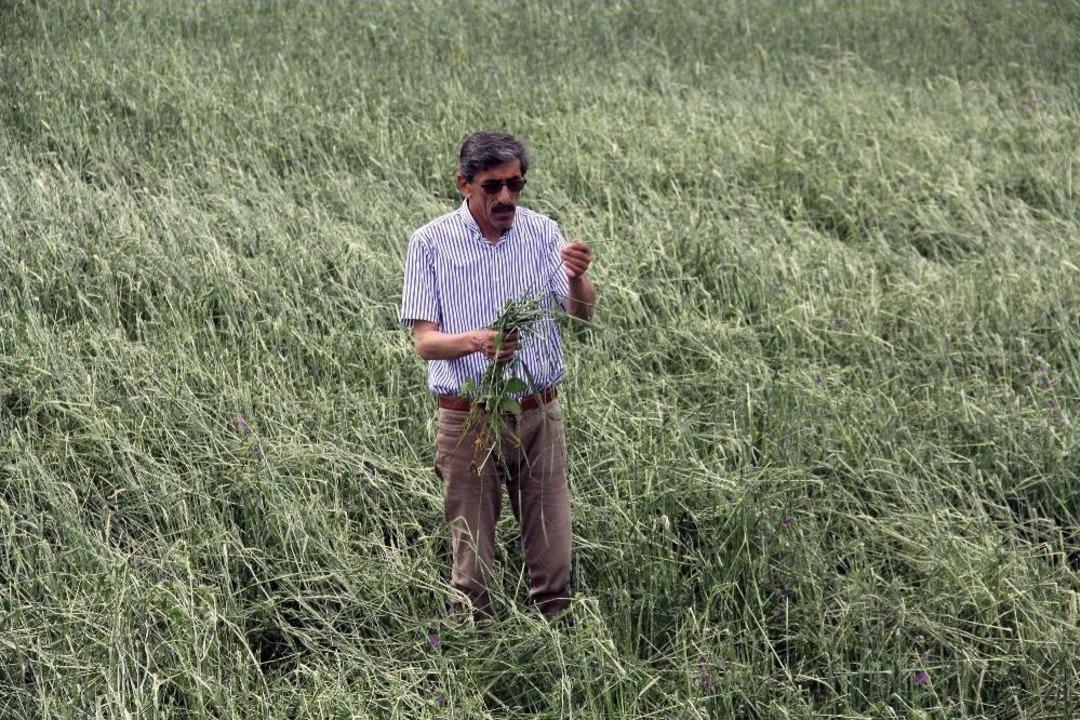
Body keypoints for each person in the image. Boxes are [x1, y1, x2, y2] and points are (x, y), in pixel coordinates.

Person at [399, 131, 596, 621]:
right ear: (464, 184)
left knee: (554, 559)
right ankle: (471, 663)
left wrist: (577, 276)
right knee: (473, 567)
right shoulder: (429, 243)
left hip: (538, 413)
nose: (506, 197)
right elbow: (425, 343)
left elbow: (580, 313)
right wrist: (479, 342)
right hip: (469, 418)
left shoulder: (543, 232)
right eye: (493, 186)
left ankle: (557, 651)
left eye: (515, 185)